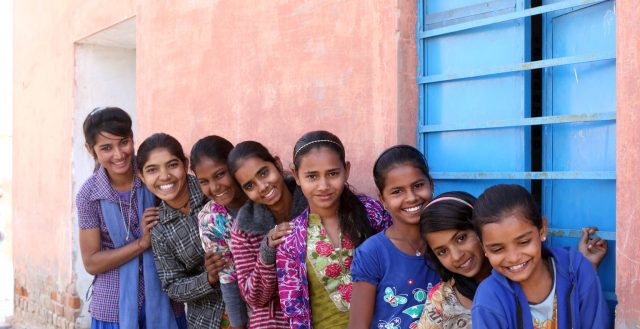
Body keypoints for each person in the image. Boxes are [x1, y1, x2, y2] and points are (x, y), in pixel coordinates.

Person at [417, 191, 608, 329]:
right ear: (486, 245)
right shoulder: (482, 297)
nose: (457, 256)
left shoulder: (573, 270)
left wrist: (584, 267)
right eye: (442, 251)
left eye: (461, 238)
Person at [76, 107, 185, 329]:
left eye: (124, 142)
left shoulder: (152, 173)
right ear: (90, 150)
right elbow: (91, 262)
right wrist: (142, 243)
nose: (119, 154)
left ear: (133, 139)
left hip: (165, 300)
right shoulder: (88, 196)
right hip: (113, 308)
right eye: (106, 148)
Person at [276, 130, 392, 329]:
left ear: (346, 170)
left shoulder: (371, 212)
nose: (323, 185)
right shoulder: (290, 239)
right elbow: (293, 309)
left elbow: (395, 263)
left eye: (332, 173)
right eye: (312, 176)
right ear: (295, 175)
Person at [471, 184, 609, 329]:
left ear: (542, 229)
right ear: (484, 248)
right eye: (498, 249)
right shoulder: (488, 299)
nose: (513, 257)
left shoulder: (578, 272)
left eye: (524, 242)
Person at [137, 133, 226, 328]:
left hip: (254, 309)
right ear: (142, 177)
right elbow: (172, 286)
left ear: (185, 165)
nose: (164, 176)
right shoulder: (158, 227)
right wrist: (208, 278)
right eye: (152, 170)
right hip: (207, 320)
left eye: (172, 165)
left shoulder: (215, 191)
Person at [349, 145, 441, 329]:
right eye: (397, 191)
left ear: (431, 185)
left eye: (418, 185)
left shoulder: (446, 243)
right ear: (382, 199)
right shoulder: (372, 253)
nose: (411, 197)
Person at [226, 140, 308, 328]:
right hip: (274, 321)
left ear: (277, 164)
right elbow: (254, 298)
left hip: (320, 307)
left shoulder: (313, 200)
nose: (262, 186)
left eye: (263, 173)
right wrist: (267, 254)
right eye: (249, 186)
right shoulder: (244, 228)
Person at [191, 135, 250, 329]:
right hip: (254, 312)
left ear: (234, 165)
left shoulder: (263, 193)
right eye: (204, 181)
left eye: (220, 174)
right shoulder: (211, 219)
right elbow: (228, 278)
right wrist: (238, 325)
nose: (215, 187)